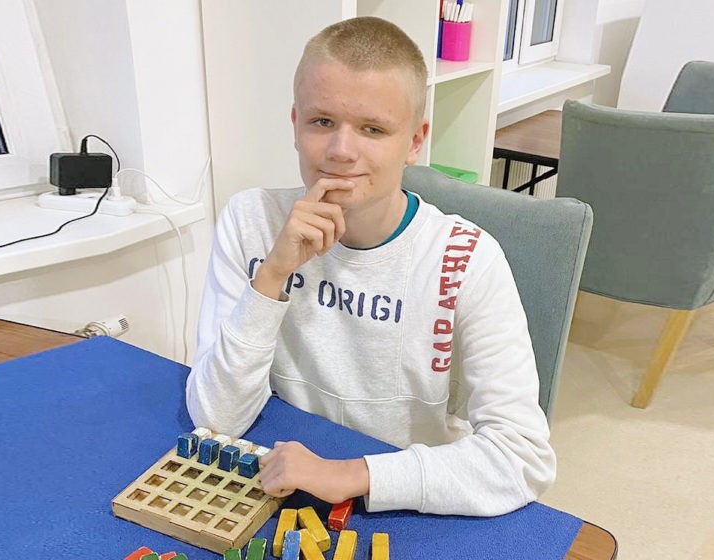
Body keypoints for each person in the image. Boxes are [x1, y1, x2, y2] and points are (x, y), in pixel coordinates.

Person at [186, 16, 555, 517]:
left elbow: (523, 459)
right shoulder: (250, 219)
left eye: (373, 129)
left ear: (415, 141)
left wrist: (350, 475)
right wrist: (271, 277)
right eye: (321, 122)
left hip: (411, 498)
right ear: (294, 123)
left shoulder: (469, 259)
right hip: (277, 476)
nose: (341, 151)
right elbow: (215, 420)